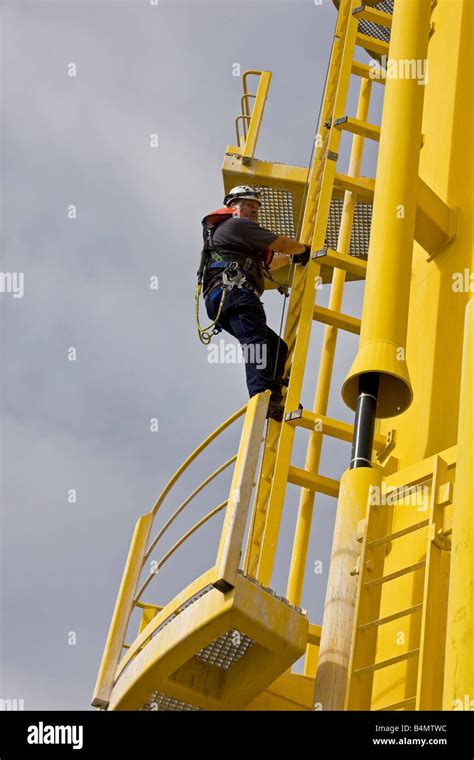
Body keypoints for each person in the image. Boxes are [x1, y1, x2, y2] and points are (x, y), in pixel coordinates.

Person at [201, 185, 310, 421]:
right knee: (255, 342)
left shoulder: (234, 239)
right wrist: (304, 249)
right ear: (233, 206)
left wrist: (293, 258)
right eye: (248, 205)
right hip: (236, 292)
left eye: (256, 207)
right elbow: (279, 243)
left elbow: (268, 265)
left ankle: (273, 393)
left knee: (277, 346)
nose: (254, 210)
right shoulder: (238, 226)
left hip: (224, 296)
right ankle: (262, 395)